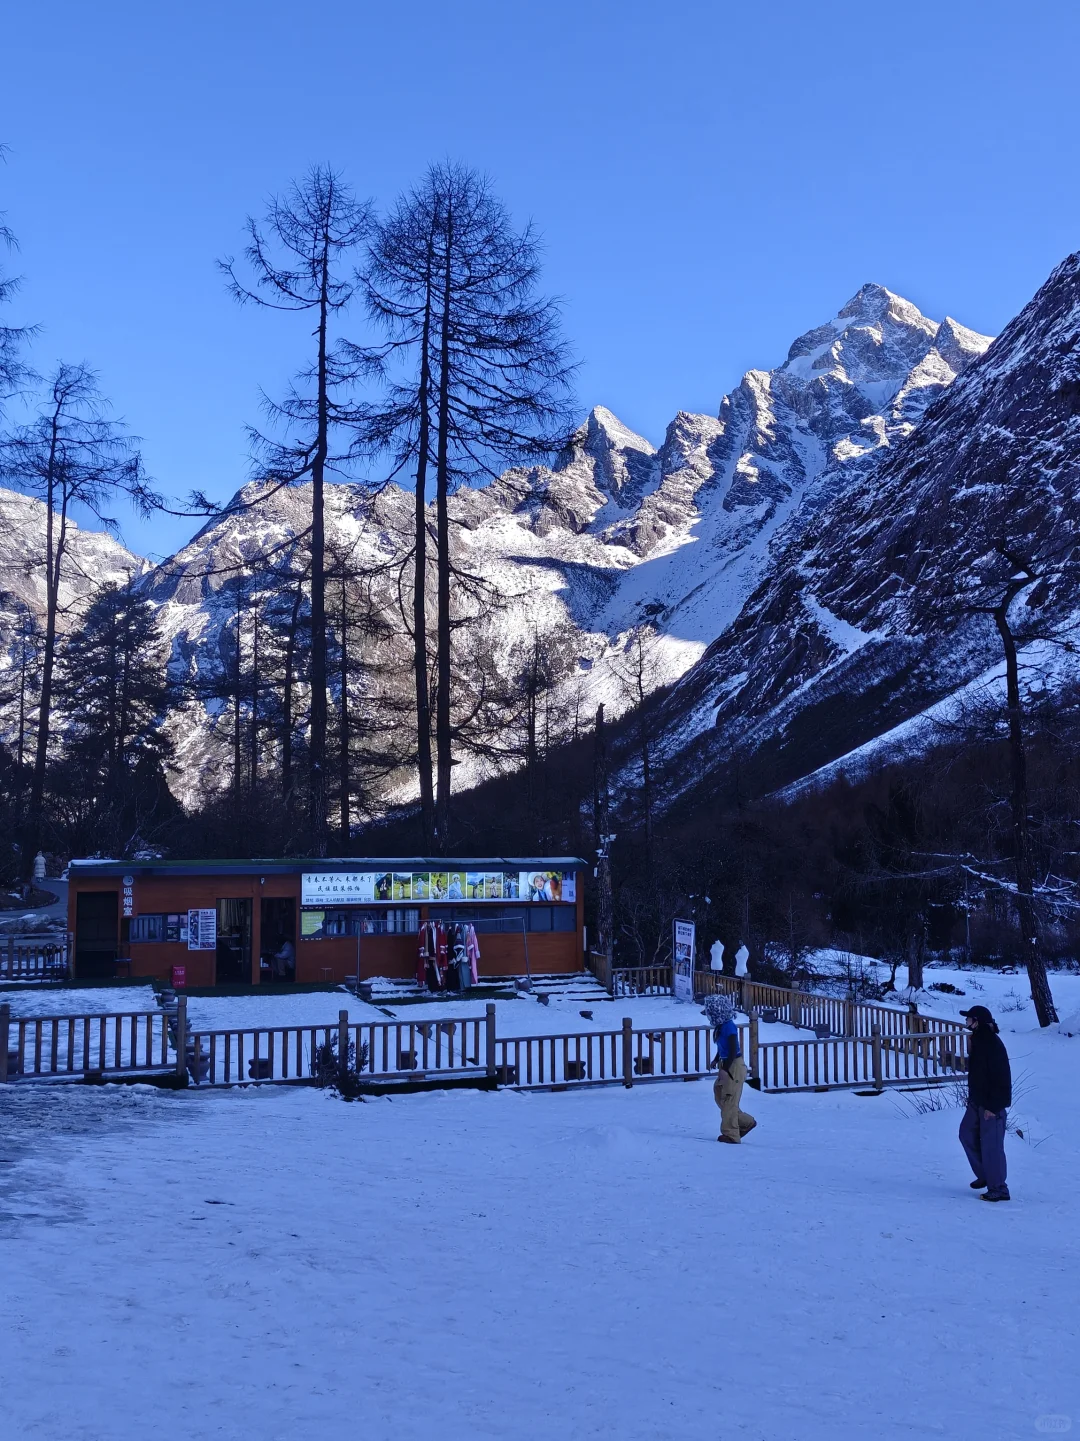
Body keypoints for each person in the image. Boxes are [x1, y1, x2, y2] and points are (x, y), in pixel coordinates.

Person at [958, 1005, 1012, 1202]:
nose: (966, 1022)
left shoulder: (992, 1044)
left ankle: (999, 1188)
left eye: (968, 1019)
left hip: (992, 1104)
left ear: (977, 1021)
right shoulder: (977, 1041)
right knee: (965, 1133)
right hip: (977, 1100)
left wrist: (994, 1106)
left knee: (992, 1146)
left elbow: (1001, 1078)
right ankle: (985, 1174)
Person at [703, 993, 756, 1143]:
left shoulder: (728, 1027)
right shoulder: (720, 1027)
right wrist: (716, 1059)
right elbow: (723, 1048)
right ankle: (745, 1122)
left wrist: (725, 1069)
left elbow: (733, 1049)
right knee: (720, 1094)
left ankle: (731, 1134)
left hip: (734, 1066)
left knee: (729, 1099)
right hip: (726, 1063)